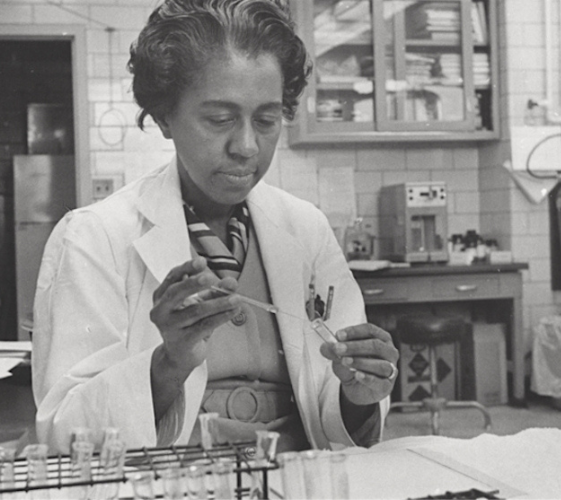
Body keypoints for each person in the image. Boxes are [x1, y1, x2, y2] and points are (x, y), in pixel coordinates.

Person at [32, 0, 399, 454]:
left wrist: (358, 394)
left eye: (266, 120)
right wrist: (169, 364)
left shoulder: (305, 229)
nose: (246, 146)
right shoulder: (95, 238)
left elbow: (334, 409)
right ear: (165, 116)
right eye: (220, 119)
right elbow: (64, 433)